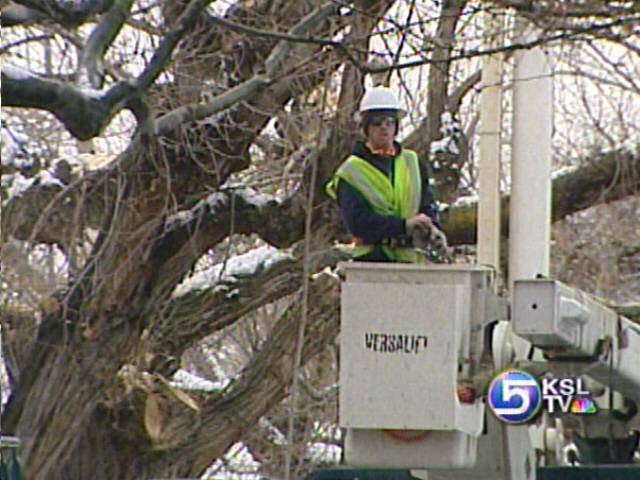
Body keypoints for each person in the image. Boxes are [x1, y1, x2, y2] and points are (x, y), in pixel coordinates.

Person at [325, 87, 444, 263]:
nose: (384, 127)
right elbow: (357, 223)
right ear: (366, 127)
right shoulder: (351, 172)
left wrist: (432, 226)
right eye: (377, 122)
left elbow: (426, 203)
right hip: (371, 260)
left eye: (389, 122)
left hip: (411, 260)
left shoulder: (413, 163)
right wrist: (402, 226)